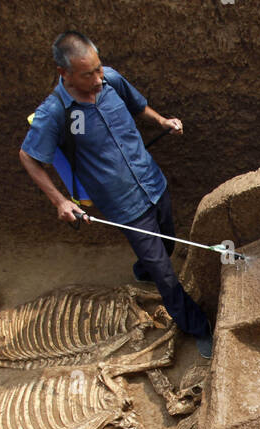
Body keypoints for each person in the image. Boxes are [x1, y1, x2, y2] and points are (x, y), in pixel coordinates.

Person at [19, 31, 213, 358]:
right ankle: (198, 327)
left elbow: (139, 107)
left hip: (152, 182)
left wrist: (162, 121)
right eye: (87, 74)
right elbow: (28, 156)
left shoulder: (111, 80)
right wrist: (60, 201)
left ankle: (143, 271)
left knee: (167, 244)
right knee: (167, 275)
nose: (98, 78)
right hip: (124, 205)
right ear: (63, 73)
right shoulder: (55, 113)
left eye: (98, 68)